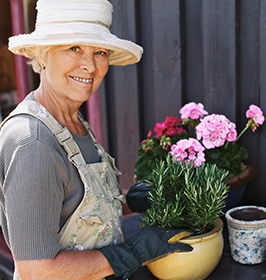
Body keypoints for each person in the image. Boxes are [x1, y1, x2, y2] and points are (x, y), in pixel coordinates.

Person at [1, 0, 193, 279]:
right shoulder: (33, 142)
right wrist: (133, 253)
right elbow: (37, 271)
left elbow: (72, 208)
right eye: (73, 47)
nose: (89, 65)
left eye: (99, 51)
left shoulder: (71, 123)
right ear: (41, 55)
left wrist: (129, 201)